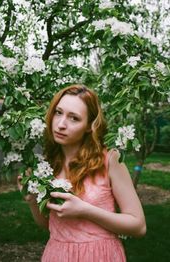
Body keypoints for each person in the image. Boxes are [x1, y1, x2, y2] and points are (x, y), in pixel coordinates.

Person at [17, 84, 146, 262]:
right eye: (58, 112)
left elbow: (138, 226)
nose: (61, 124)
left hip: (99, 255)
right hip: (58, 254)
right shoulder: (45, 164)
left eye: (74, 118)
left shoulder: (110, 160)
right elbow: (49, 224)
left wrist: (85, 210)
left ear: (88, 126)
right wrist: (32, 201)